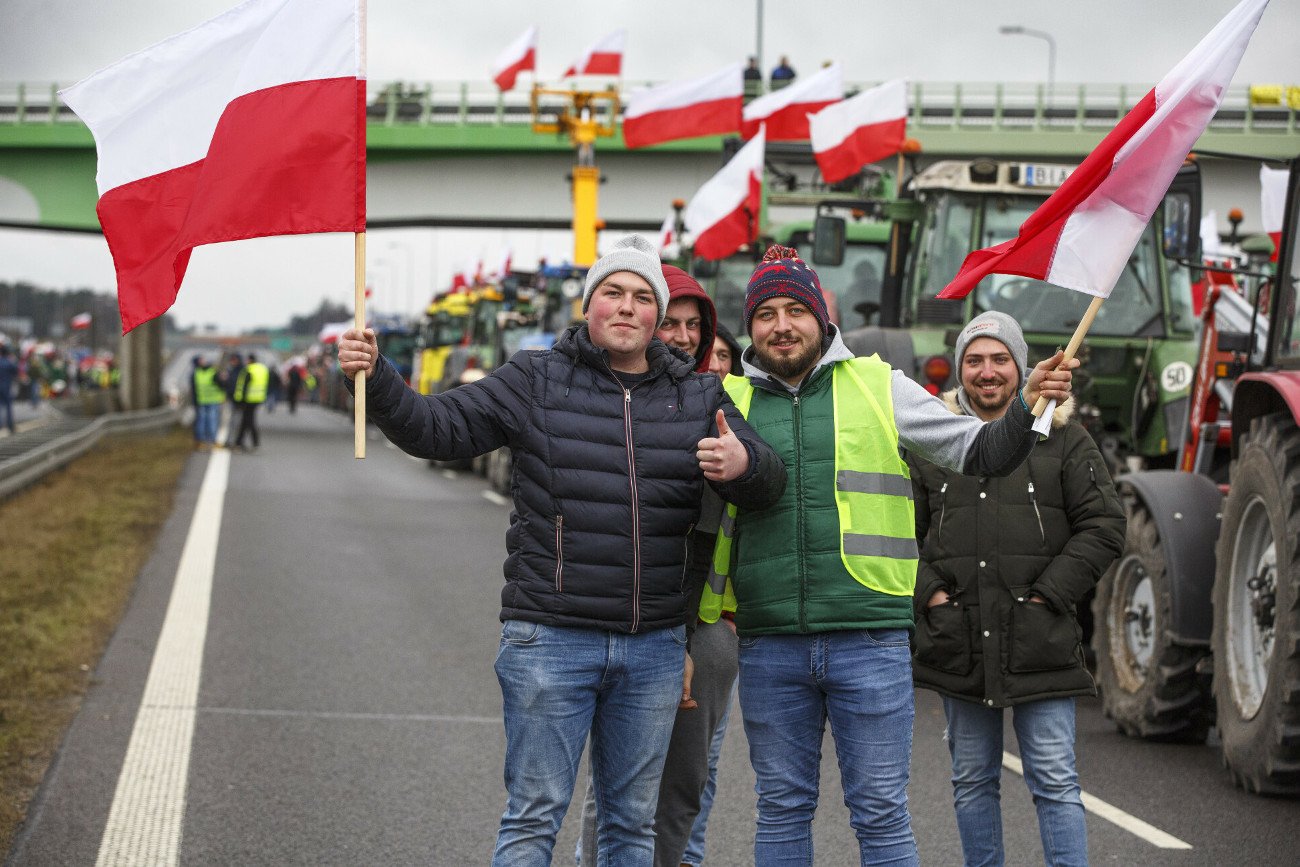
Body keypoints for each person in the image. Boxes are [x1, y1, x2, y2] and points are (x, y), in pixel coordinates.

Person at [337, 235, 786, 866]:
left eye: (641, 298)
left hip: (652, 647)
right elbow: (436, 428)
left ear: (658, 318)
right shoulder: (534, 378)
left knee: (631, 826)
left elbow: (769, 481)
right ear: (588, 306)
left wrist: (743, 464)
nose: (627, 308)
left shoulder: (696, 396)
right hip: (550, 640)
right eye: (612, 294)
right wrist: (380, 380)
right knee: (533, 820)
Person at [700, 245, 1077, 866]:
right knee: (783, 811)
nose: (782, 325)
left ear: (824, 317)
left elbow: (981, 451)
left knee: (880, 813)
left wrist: (1031, 406)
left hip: (868, 640)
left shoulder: (880, 386)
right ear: (751, 326)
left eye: (796, 309)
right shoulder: (727, 399)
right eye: (766, 313)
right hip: (769, 641)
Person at [908, 311, 1125, 867]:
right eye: (974, 361)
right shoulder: (933, 444)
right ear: (959, 370)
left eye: (1000, 359)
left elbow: (1104, 526)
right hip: (961, 640)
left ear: (1020, 366)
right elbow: (901, 534)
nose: (987, 372)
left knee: (1054, 779)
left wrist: (1050, 596)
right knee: (972, 781)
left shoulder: (1065, 440)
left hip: (1039, 641)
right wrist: (932, 595)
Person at [576, 263, 740, 867]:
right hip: (655, 624)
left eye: (698, 328)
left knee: (689, 785)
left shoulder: (720, 409)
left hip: (707, 623)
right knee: (622, 790)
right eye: (670, 321)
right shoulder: (634, 405)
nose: (687, 338)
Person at [230, 352, 269, 452]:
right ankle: (239, 443)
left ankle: (253, 442)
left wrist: (238, 400)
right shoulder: (262, 369)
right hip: (259, 398)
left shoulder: (248, 370)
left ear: (250, 360)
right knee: (246, 421)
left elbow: (242, 387)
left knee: (249, 421)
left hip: (248, 399)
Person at [191, 355, 224, 449]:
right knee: (212, 421)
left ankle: (200, 441)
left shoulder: (196, 373)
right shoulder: (213, 373)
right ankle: (212, 441)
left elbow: (193, 389)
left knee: (201, 421)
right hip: (213, 400)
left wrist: (195, 401)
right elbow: (221, 385)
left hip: (201, 400)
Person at [0, 345, 18, 435]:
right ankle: (10, 426)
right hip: (6, 386)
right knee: (8, 406)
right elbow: (16, 371)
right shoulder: (9, 362)